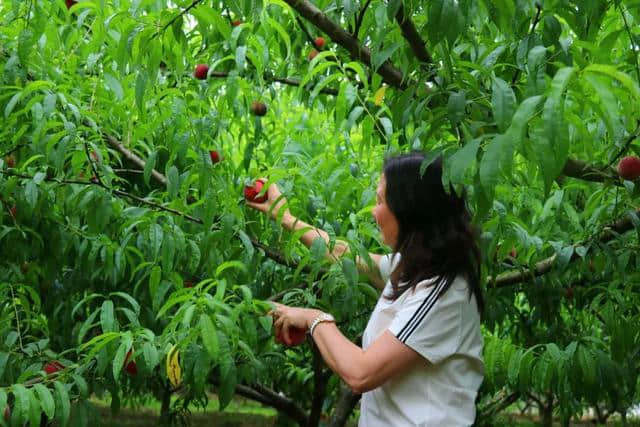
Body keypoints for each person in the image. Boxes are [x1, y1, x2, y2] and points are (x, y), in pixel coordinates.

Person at [246, 152, 484, 426]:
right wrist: (285, 218)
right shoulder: (414, 268)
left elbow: (361, 373)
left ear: (409, 211)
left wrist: (315, 319)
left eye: (380, 201)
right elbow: (342, 254)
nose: (373, 210)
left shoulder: (442, 290)